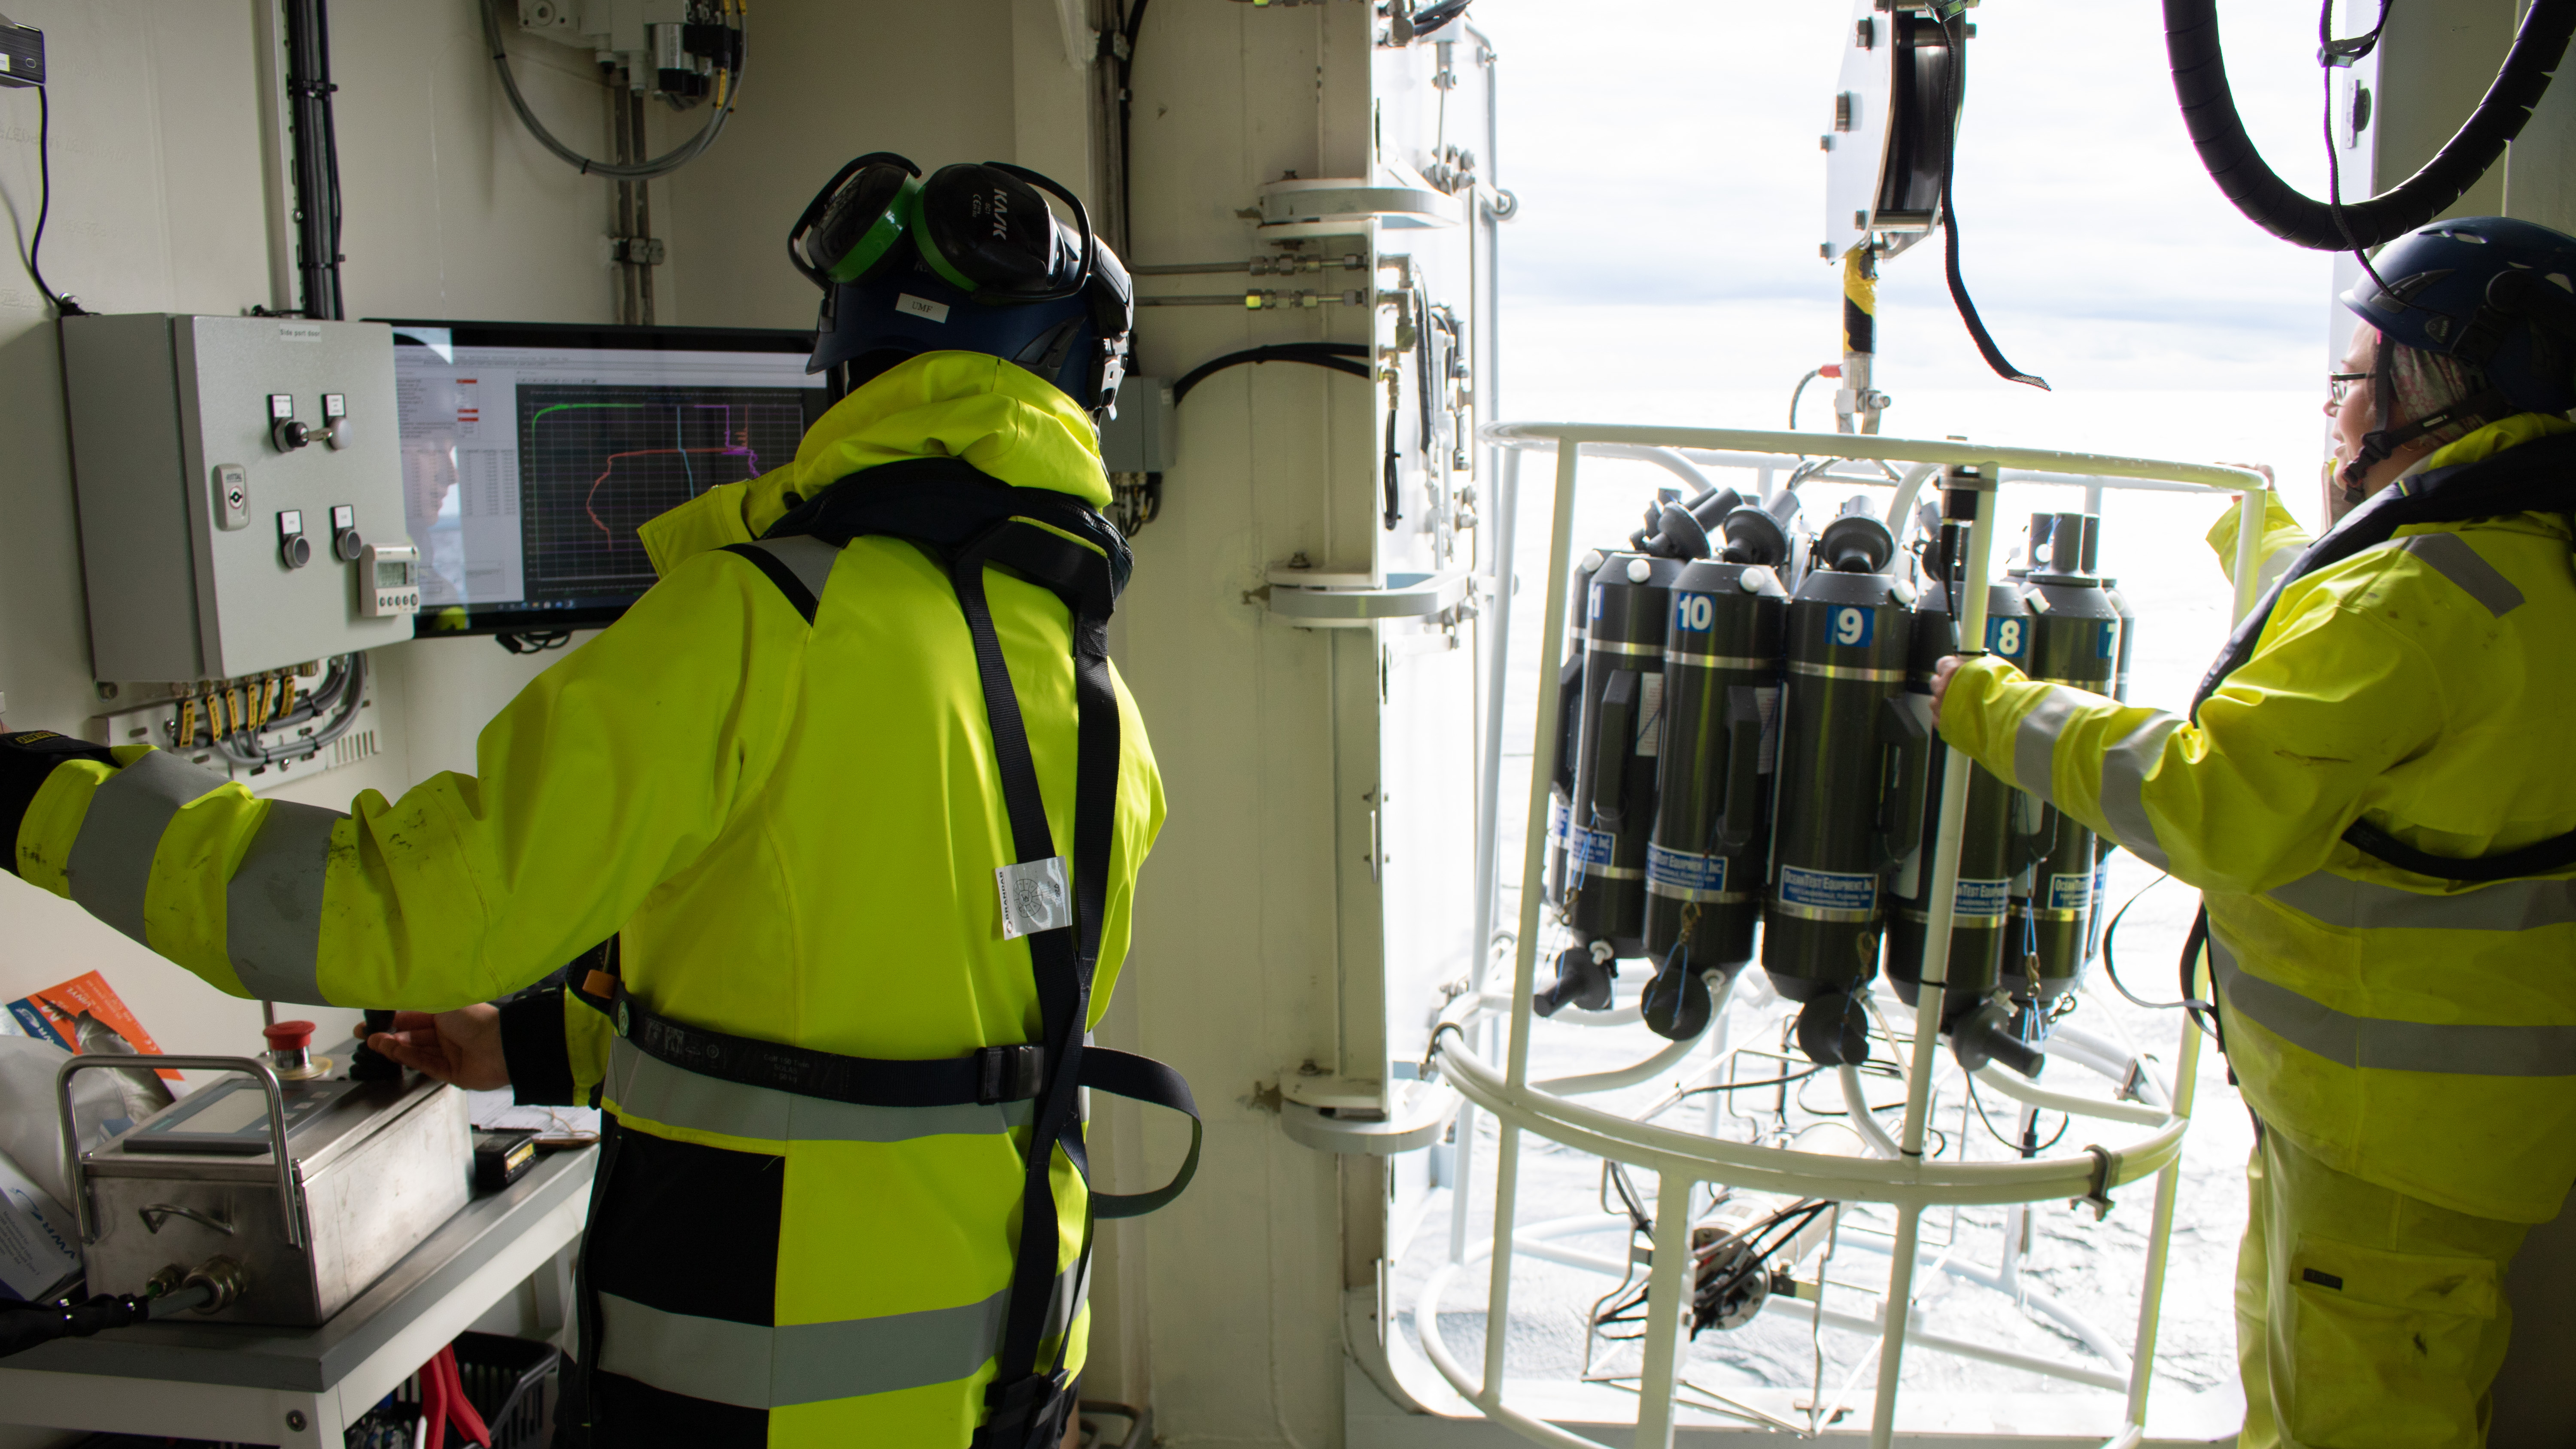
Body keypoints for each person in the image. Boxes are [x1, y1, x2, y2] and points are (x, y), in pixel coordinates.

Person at [0, 154, 1194, 1449]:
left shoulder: (760, 621)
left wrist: (45, 802)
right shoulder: (1101, 712)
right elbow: (897, 1030)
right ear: (1078, 398)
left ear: (849, 371)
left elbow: (378, 913)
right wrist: (524, 1049)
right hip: (1008, 1379)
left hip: (758, 1384)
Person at [1931, 215, 2576, 1448]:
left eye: (2356, 380)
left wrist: (1986, 703)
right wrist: (2261, 533)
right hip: (2420, 1132)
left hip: (2385, 1141)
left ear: (2435, 392)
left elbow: (2215, 805)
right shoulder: (2518, 561)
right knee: (2310, 1402)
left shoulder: (2423, 591)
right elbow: (2391, 696)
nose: (2339, 411)